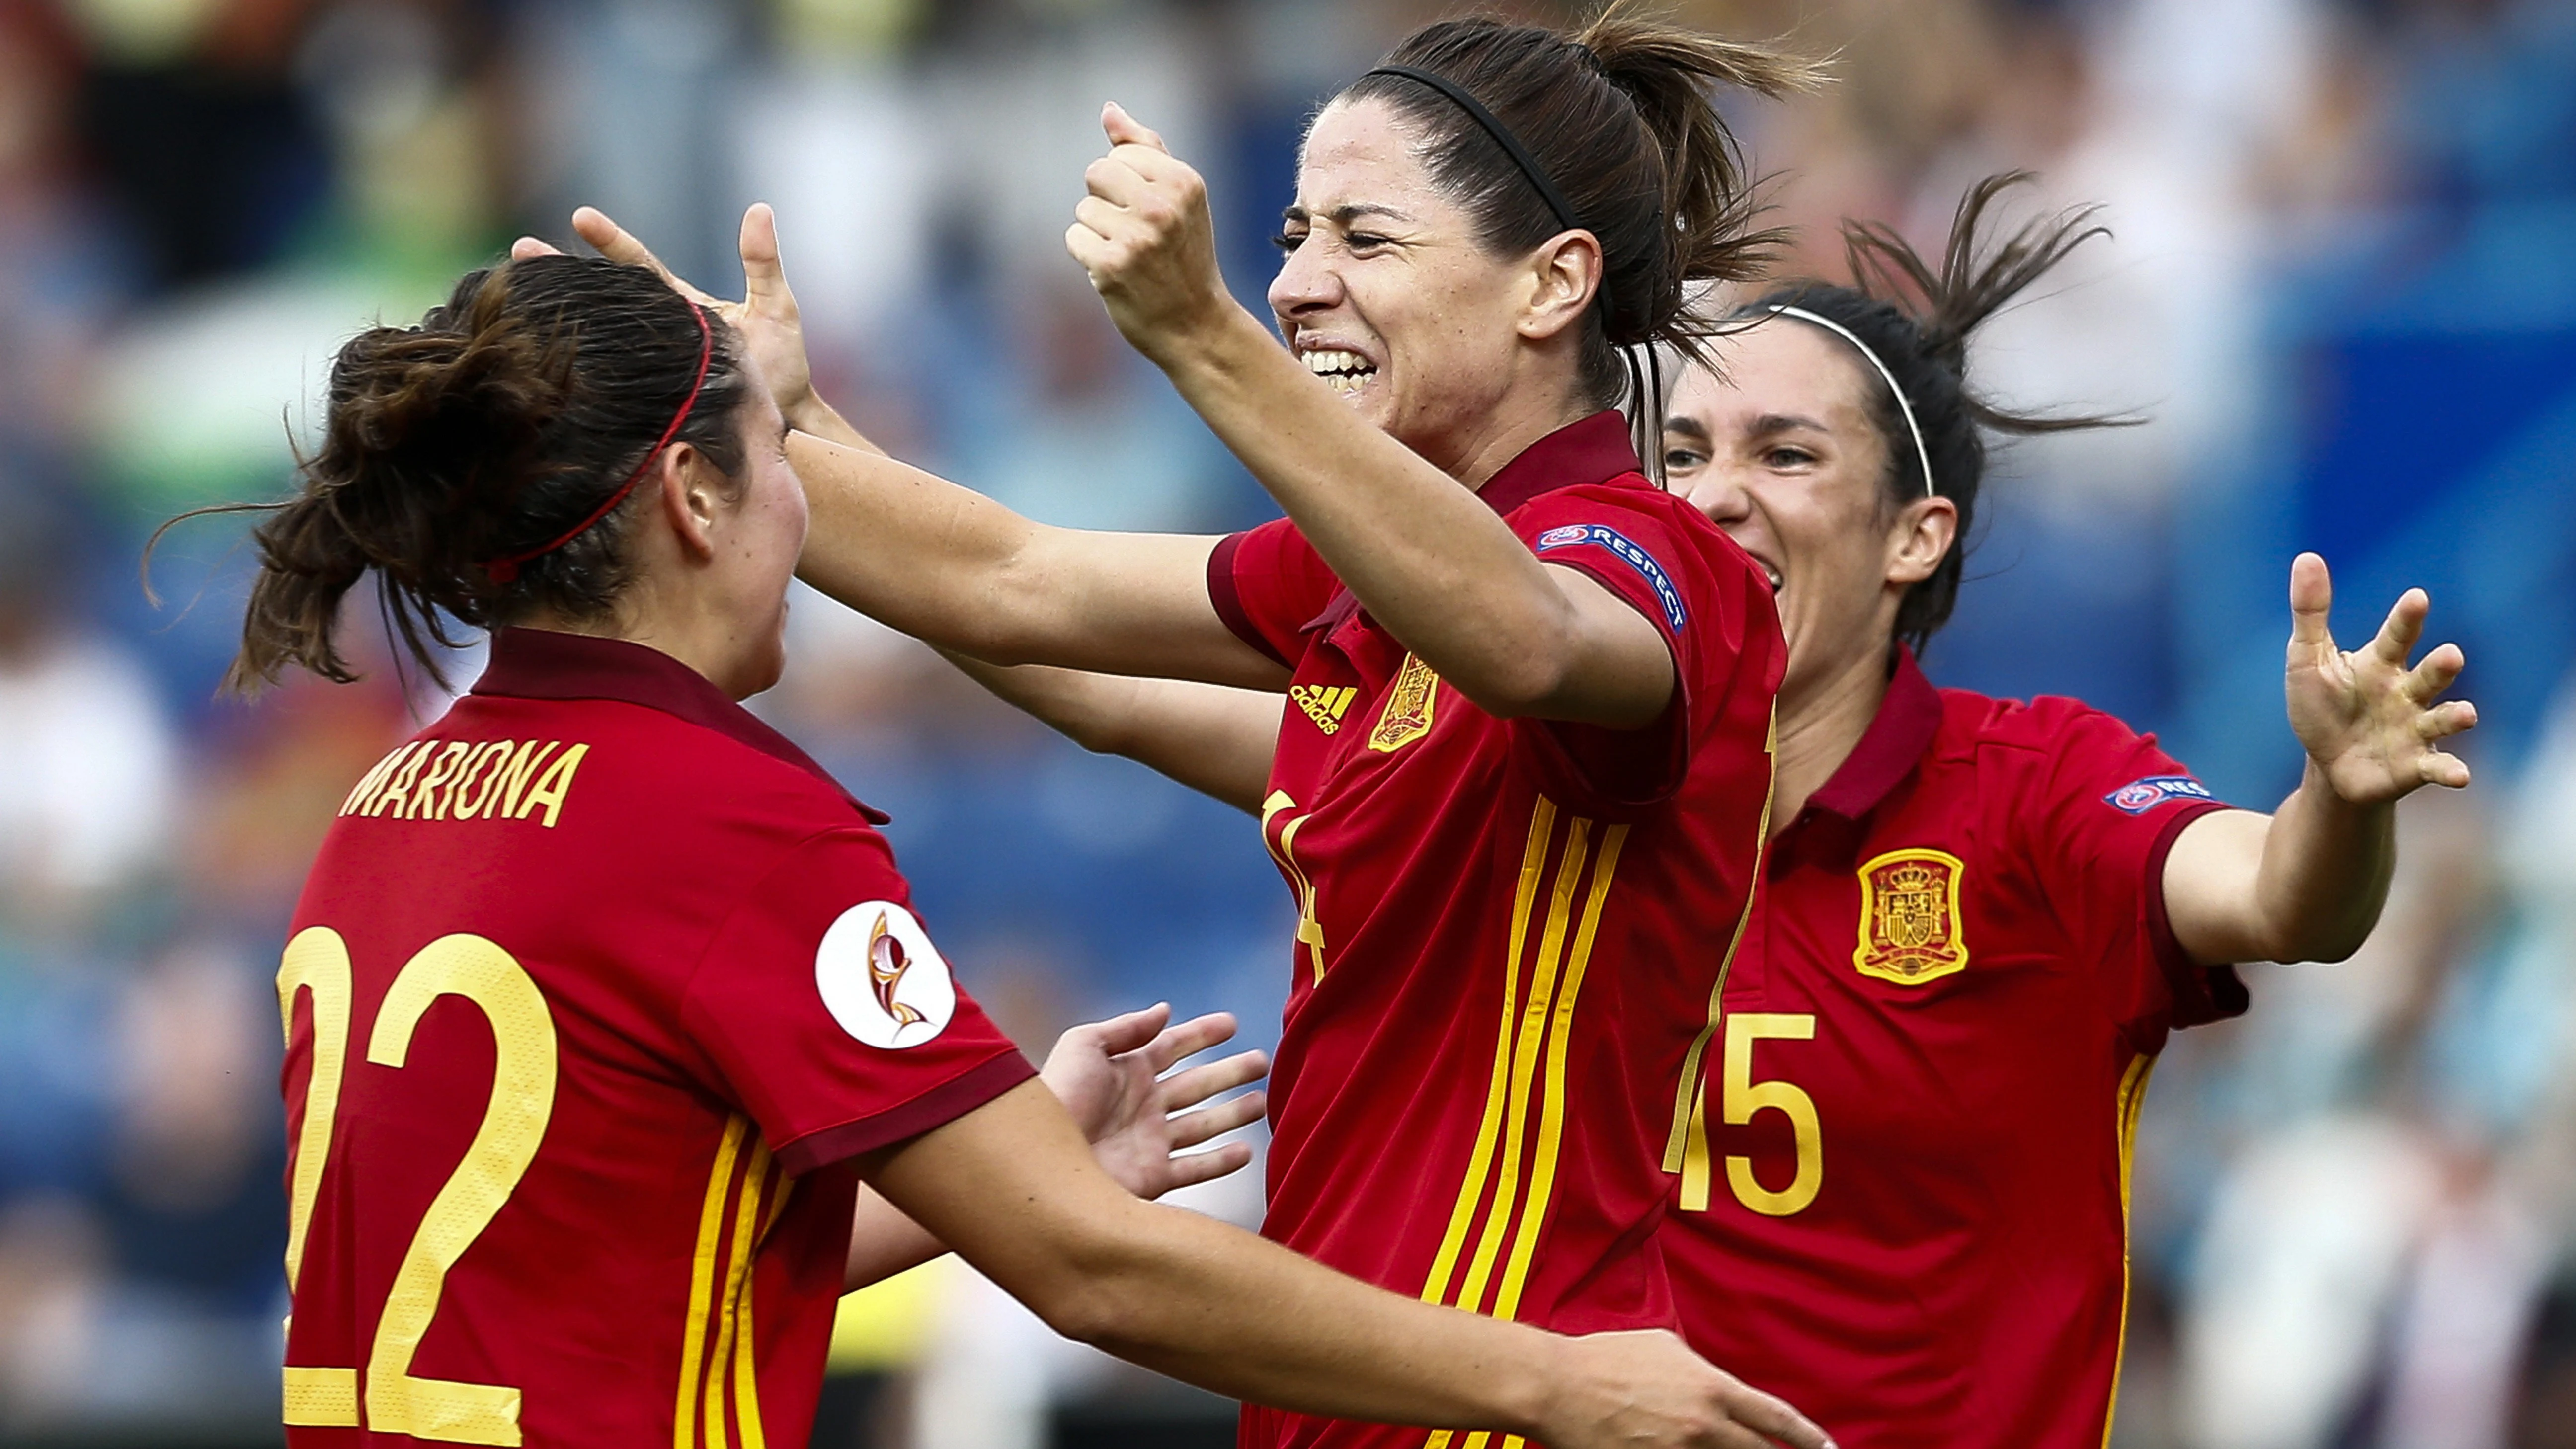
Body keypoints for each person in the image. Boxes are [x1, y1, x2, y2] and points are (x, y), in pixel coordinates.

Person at [931, 175, 2481, 1449]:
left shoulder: (2036, 790)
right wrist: (793, 476)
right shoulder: (1536, 768)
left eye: (1784, 454)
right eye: (1682, 453)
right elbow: (1086, 668)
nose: (1715, 496)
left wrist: (2344, 801)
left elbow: (2285, 901)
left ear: (1913, 535)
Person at [209, 253, 1830, 1449]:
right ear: (697, 500)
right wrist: (1560, 1379)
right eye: (787, 455)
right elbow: (1094, 1275)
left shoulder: (383, 812)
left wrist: (982, 1179)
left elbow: (595, 1255)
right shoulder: (722, 813)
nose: (813, 504)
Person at [520, 10, 1824, 1449]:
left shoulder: (1655, 557)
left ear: (1552, 284)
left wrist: (1203, 337)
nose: (1297, 285)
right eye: (1288, 233)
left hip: (1533, 1404)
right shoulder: (1360, 576)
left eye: (1364, 241)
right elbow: (1017, 584)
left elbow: (1527, 637)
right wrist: (764, 424)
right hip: (1345, 1402)